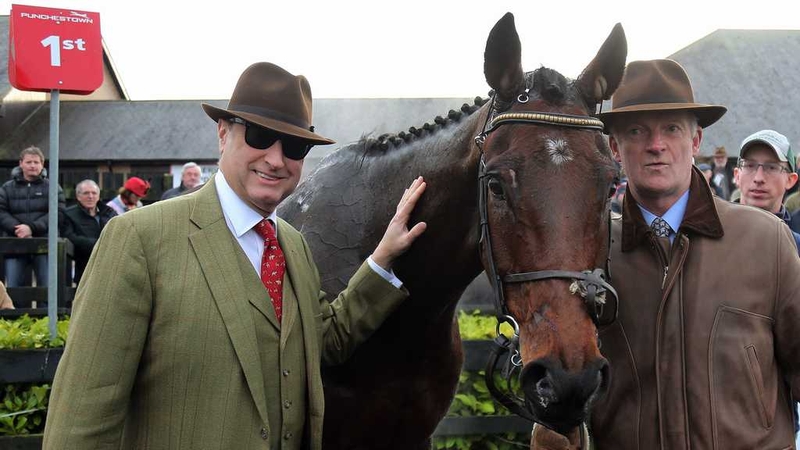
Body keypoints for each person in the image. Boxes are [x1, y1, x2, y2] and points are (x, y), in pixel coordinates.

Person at [43, 62, 428, 450]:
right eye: (261, 136)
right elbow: (82, 416)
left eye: (294, 146)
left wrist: (382, 258)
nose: (277, 160)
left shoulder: (293, 246)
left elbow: (324, 340)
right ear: (223, 134)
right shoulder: (138, 238)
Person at [533, 59, 800, 449]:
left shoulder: (766, 241)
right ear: (614, 147)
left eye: (671, 128)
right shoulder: (588, 251)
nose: (655, 145)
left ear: (695, 142)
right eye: (637, 131)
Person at [0, 146, 65, 287]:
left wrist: (31, 228)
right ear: (21, 163)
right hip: (14, 243)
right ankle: (18, 310)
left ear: (42, 164)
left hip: (45, 244)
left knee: (47, 289)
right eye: (29, 162)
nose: (33, 166)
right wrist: (18, 229)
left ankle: (44, 310)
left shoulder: (53, 187)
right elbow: (1, 211)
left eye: (36, 162)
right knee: (14, 288)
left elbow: (58, 212)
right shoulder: (7, 188)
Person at [734, 129, 800, 253]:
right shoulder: (706, 241)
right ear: (737, 176)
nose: (759, 178)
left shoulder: (796, 250)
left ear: (790, 180)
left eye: (771, 167)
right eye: (750, 166)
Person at [60, 180, 117, 284]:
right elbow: (69, 237)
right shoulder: (69, 214)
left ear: (98, 196)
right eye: (86, 193)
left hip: (110, 265)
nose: (90, 196)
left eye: (94, 193)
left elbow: (118, 234)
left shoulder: (109, 213)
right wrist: (97, 244)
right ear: (78, 196)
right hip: (84, 266)